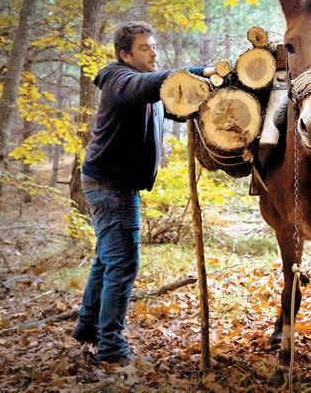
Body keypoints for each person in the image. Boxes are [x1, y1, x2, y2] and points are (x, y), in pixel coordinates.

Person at [71, 22, 210, 365]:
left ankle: (88, 328)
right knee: (123, 263)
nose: (154, 52)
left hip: (111, 183)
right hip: (111, 187)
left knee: (106, 259)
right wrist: (193, 72)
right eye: (145, 48)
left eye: (154, 46)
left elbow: (168, 93)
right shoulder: (119, 80)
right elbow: (150, 84)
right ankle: (112, 349)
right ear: (125, 55)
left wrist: (208, 79)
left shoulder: (141, 83)